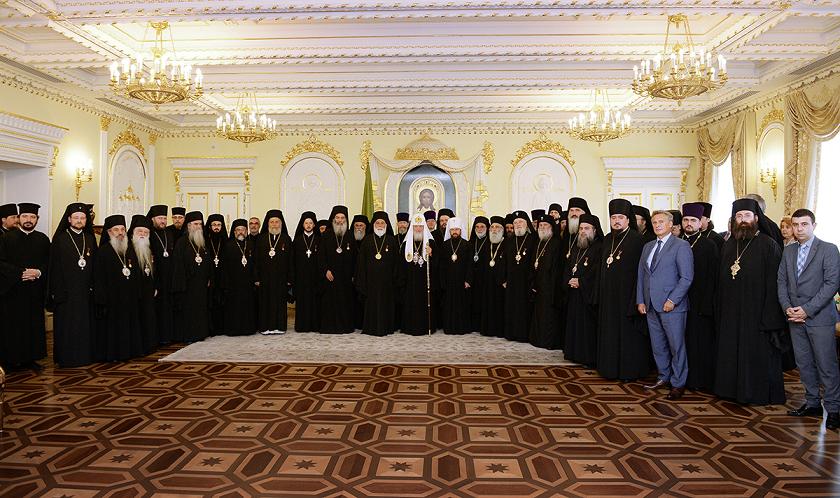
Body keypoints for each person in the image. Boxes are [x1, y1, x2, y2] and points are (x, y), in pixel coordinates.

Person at [714, 198, 787, 405]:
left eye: (747, 215)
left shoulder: (768, 245)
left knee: (755, 353)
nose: (743, 220)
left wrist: (769, 316)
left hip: (757, 314)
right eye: (739, 216)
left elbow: (775, 284)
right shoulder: (729, 245)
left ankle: (756, 393)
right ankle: (729, 390)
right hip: (731, 312)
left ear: (756, 218)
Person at [777, 209, 840, 431]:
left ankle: (834, 409)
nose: (799, 229)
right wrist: (787, 308)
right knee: (804, 363)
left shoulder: (829, 249)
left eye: (804, 224)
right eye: (795, 225)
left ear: (814, 225)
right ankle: (812, 403)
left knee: (826, 365)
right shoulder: (789, 251)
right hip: (794, 317)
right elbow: (781, 282)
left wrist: (807, 310)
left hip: (819, 317)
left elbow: (831, 284)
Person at [637, 210, 694, 400]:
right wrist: (641, 300)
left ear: (671, 224)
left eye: (661, 222)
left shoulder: (681, 246)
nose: (657, 225)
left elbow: (686, 278)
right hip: (651, 305)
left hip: (672, 306)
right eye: (654, 222)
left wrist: (672, 300)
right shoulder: (648, 246)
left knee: (676, 346)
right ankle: (663, 376)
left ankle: (678, 383)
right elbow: (641, 276)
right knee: (658, 345)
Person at [597, 199, 650, 381]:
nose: (616, 221)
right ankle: (609, 368)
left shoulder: (637, 240)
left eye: (620, 217)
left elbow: (642, 273)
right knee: (609, 333)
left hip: (628, 297)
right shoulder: (607, 239)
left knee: (627, 335)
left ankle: (628, 371)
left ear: (628, 220)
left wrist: (638, 298)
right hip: (608, 297)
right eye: (613, 217)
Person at [0, 203, 50, 370]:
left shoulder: (43, 239)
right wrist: (20, 272)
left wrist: (39, 272)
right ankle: (10, 361)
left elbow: (50, 263)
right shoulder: (6, 238)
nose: (29, 220)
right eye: (25, 216)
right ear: (19, 218)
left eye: (32, 217)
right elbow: (1, 262)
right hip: (13, 290)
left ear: (37, 219)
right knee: (13, 326)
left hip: (34, 290)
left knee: (33, 325)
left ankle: (30, 359)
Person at [49, 203, 97, 367]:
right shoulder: (60, 239)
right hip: (66, 292)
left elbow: (94, 265)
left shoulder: (90, 238)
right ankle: (66, 358)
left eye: (82, 218)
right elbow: (54, 267)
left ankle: (85, 356)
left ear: (86, 220)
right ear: (69, 219)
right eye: (76, 217)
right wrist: (57, 290)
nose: (79, 220)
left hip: (85, 292)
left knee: (84, 325)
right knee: (67, 326)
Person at [681, 202, 720, 392]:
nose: (689, 223)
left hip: (700, 301)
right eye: (686, 220)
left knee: (699, 342)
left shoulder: (709, 245)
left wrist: (707, 304)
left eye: (693, 220)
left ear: (700, 223)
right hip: (678, 300)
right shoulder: (676, 242)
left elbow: (713, 277)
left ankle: (699, 380)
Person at [93, 215, 144, 362]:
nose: (120, 233)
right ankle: (115, 354)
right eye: (116, 230)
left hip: (129, 297)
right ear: (109, 232)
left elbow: (136, 273)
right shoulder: (103, 252)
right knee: (114, 327)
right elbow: (99, 277)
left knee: (130, 324)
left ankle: (130, 351)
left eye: (122, 229)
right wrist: (102, 298)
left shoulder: (130, 250)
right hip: (112, 299)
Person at [563, 213, 603, 367]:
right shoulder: (577, 246)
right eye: (581, 228)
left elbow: (597, 272)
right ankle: (574, 353)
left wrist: (581, 282)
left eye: (587, 228)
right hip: (574, 293)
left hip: (588, 295)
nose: (583, 231)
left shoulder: (600, 247)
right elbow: (569, 266)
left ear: (594, 230)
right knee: (574, 324)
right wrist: (569, 279)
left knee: (587, 327)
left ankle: (588, 357)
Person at [355, 211, 398, 336]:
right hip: (370, 282)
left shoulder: (391, 240)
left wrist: (394, 279)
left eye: (382, 223)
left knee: (386, 304)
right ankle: (370, 328)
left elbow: (397, 263)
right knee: (371, 304)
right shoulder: (367, 240)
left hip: (387, 283)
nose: (380, 225)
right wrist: (362, 280)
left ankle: (387, 327)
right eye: (377, 223)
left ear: (386, 225)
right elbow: (361, 263)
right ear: (373, 225)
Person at [171, 211, 211, 343]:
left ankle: (201, 333)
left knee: (200, 309)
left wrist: (208, 277)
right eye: (195, 224)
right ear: (188, 225)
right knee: (189, 310)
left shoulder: (202, 242)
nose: (198, 227)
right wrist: (182, 283)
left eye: (200, 224)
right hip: (187, 284)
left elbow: (207, 262)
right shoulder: (181, 243)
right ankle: (189, 335)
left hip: (201, 283)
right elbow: (178, 265)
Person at [318, 206, 357, 334]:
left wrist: (353, 274)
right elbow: (321, 256)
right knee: (330, 302)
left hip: (346, 277)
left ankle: (345, 327)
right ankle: (329, 327)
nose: (340, 220)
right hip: (330, 276)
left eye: (342, 218)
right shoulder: (326, 235)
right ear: (333, 219)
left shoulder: (350, 235)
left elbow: (355, 257)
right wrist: (325, 270)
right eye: (337, 217)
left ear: (346, 219)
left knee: (345, 302)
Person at [254, 209, 293, 335]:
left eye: (277, 222)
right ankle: (265, 327)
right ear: (268, 223)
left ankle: (280, 327)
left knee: (280, 301)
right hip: (265, 278)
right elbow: (256, 260)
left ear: (281, 224)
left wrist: (290, 278)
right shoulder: (261, 239)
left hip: (281, 278)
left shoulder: (286, 239)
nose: (274, 224)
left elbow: (291, 260)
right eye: (272, 222)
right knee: (265, 302)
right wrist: (256, 278)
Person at [397, 213, 436, 336]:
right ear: (412, 228)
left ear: (424, 227)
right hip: (410, 282)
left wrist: (431, 254)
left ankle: (426, 327)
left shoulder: (430, 243)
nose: (418, 229)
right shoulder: (406, 244)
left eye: (420, 227)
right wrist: (403, 282)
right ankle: (409, 327)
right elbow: (401, 265)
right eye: (416, 227)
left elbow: (437, 264)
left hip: (425, 282)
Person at [529, 214, 562, 349]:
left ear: (552, 228)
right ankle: (537, 339)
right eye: (540, 225)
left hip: (550, 287)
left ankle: (547, 341)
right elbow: (533, 264)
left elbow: (556, 269)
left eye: (545, 225)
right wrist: (533, 282)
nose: (542, 228)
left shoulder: (556, 243)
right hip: (539, 286)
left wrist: (551, 287)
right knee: (539, 314)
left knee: (549, 315)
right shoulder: (538, 242)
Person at [221, 219, 257, 336]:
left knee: (247, 306)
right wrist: (226, 282)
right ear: (234, 232)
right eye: (238, 230)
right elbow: (224, 266)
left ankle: (248, 329)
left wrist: (255, 279)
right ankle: (234, 330)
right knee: (234, 307)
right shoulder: (228, 246)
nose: (240, 232)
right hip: (233, 284)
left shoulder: (251, 245)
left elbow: (256, 264)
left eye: (243, 230)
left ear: (246, 231)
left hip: (248, 283)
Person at [504, 210, 535, 342]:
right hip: (511, 281)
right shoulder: (510, 240)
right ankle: (511, 333)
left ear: (527, 224)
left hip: (526, 281)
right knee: (512, 306)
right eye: (515, 222)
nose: (518, 225)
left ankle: (523, 334)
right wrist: (504, 278)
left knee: (524, 307)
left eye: (520, 222)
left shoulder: (533, 239)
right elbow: (504, 262)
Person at [129, 214, 157, 354]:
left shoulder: (148, 248)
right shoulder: (127, 249)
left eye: (146, 232)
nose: (143, 234)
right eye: (140, 231)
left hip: (147, 291)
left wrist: (155, 286)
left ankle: (148, 345)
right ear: (133, 233)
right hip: (134, 291)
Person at [439, 217, 473, 334]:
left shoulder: (467, 245)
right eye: (452, 230)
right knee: (449, 305)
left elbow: (470, 264)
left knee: (462, 304)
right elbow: (441, 265)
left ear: (460, 230)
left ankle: (462, 327)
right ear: (449, 231)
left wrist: (468, 280)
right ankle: (449, 327)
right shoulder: (445, 245)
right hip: (449, 281)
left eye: (457, 229)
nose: (455, 232)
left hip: (462, 281)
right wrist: (443, 281)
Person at [147, 205, 175, 345]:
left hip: (168, 278)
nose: (163, 221)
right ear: (152, 219)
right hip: (156, 277)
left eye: (164, 218)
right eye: (160, 218)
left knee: (168, 308)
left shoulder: (168, 233)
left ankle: (168, 336)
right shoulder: (149, 234)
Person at [292, 211, 321, 332]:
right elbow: (293, 260)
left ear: (314, 225)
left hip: (315, 277)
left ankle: (315, 325)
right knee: (302, 301)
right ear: (302, 224)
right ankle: (302, 326)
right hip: (301, 277)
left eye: (310, 223)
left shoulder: (319, 240)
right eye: (306, 223)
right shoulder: (297, 241)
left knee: (315, 301)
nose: (308, 225)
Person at [479, 216, 507, 338]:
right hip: (487, 282)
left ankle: (499, 330)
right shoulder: (486, 244)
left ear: (502, 230)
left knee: (499, 306)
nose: (494, 230)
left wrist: (505, 279)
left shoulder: (507, 244)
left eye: (497, 227)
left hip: (501, 282)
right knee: (488, 305)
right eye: (492, 227)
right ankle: (487, 329)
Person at [205, 214, 228, 336]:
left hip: (223, 277)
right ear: (210, 226)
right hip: (210, 276)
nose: (216, 227)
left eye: (219, 225)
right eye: (214, 225)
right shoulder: (205, 241)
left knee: (222, 302)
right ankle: (211, 328)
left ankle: (223, 327)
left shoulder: (226, 241)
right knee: (211, 302)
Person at [469, 216, 490, 332]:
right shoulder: (471, 242)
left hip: (485, 277)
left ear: (487, 228)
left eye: (482, 226)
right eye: (477, 227)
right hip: (473, 278)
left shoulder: (490, 242)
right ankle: (474, 325)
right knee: (474, 301)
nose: (479, 229)